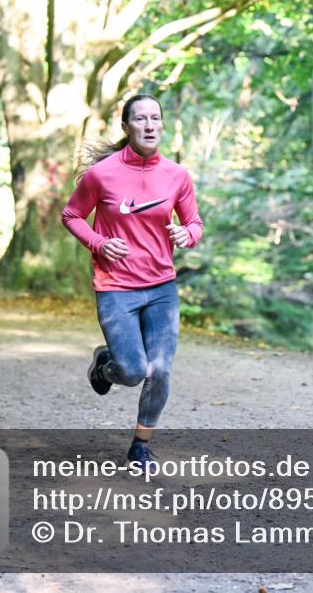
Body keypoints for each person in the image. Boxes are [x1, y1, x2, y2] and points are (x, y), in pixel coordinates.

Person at [62, 94, 204, 466]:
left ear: (162, 125)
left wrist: (186, 236)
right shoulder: (102, 174)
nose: (149, 125)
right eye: (140, 119)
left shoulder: (177, 175)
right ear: (126, 128)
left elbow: (194, 224)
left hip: (161, 288)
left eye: (155, 118)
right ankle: (106, 365)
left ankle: (141, 444)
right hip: (116, 287)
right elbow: (72, 215)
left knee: (160, 370)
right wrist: (99, 242)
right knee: (132, 371)